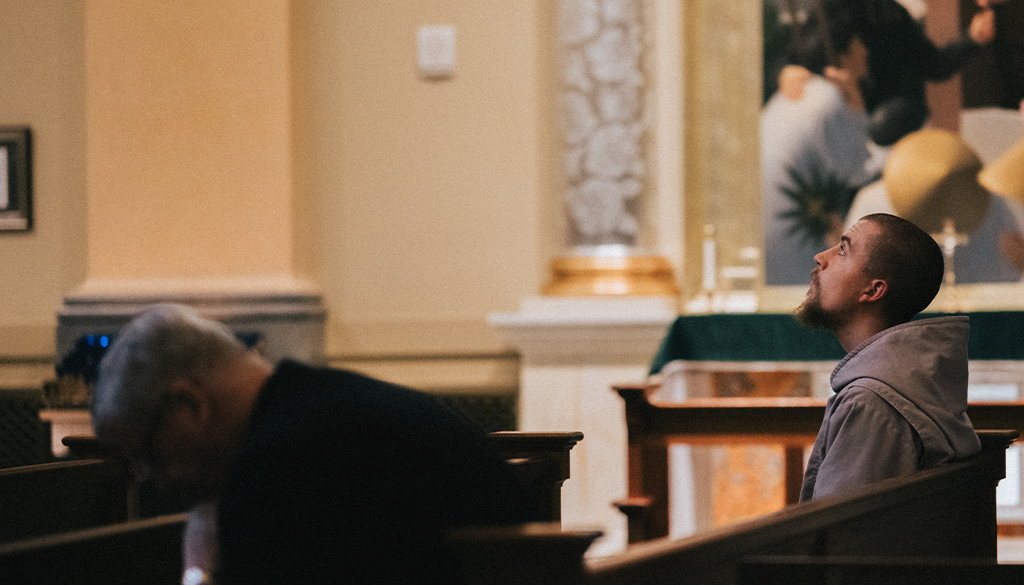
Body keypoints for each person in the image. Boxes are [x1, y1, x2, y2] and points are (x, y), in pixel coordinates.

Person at [91, 304, 539, 585]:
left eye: (154, 456)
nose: (161, 483)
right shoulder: (335, 405)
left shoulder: (280, 468)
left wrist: (198, 571)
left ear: (189, 404)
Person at [794, 213, 981, 501]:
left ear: (874, 289)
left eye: (843, 250)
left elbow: (842, 536)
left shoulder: (870, 404)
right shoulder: (898, 384)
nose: (821, 257)